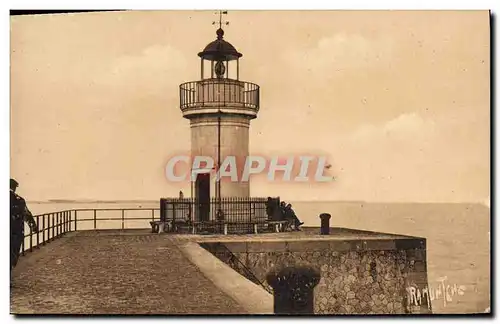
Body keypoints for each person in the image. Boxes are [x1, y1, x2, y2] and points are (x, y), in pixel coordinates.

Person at [10, 178, 38, 271]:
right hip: (16, 233)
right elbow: (27, 215)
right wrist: (34, 228)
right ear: (15, 188)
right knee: (12, 255)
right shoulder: (20, 200)